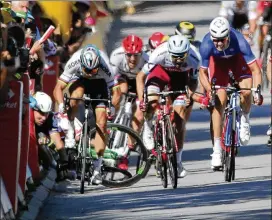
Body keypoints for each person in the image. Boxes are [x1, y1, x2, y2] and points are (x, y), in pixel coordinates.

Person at [136, 35, 209, 178]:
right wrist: (141, 101)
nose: (179, 61)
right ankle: (148, 127)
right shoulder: (159, 53)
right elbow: (140, 77)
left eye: (182, 57)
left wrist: (189, 96)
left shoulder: (195, 58)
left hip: (180, 80)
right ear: (169, 52)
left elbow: (194, 82)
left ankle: (178, 161)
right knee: (152, 101)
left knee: (180, 120)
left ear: (187, 53)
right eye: (175, 57)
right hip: (160, 75)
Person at [199, 17, 263, 169]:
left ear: (228, 35)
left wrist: (257, 91)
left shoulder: (239, 41)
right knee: (218, 103)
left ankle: (245, 119)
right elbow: (202, 73)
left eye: (222, 39)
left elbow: (255, 70)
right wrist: (209, 90)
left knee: (246, 91)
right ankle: (216, 150)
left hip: (237, 61)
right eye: (216, 40)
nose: (219, 43)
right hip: (218, 65)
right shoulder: (207, 44)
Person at [53, 44, 120, 185]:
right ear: (82, 63)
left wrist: (112, 107)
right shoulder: (75, 61)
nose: (90, 72)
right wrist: (60, 105)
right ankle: (71, 129)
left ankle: (97, 169)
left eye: (93, 69)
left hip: (99, 84)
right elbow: (58, 87)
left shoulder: (104, 65)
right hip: (79, 81)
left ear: (98, 65)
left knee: (102, 122)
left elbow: (116, 91)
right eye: (87, 69)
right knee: (76, 95)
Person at [109, 34, 148, 169]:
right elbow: (111, 80)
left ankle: (127, 150)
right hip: (123, 78)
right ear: (124, 52)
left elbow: (145, 84)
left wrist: (142, 101)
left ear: (141, 53)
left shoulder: (146, 60)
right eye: (129, 55)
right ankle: (111, 118)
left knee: (138, 114)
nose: (132, 59)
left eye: (136, 55)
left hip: (140, 81)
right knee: (120, 90)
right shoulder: (116, 56)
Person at [30, 92, 70, 181]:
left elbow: (57, 141)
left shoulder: (50, 118)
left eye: (46, 113)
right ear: (33, 109)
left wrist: (64, 163)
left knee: (42, 138)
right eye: (41, 112)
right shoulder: (26, 114)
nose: (44, 118)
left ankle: (49, 169)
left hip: (43, 149)